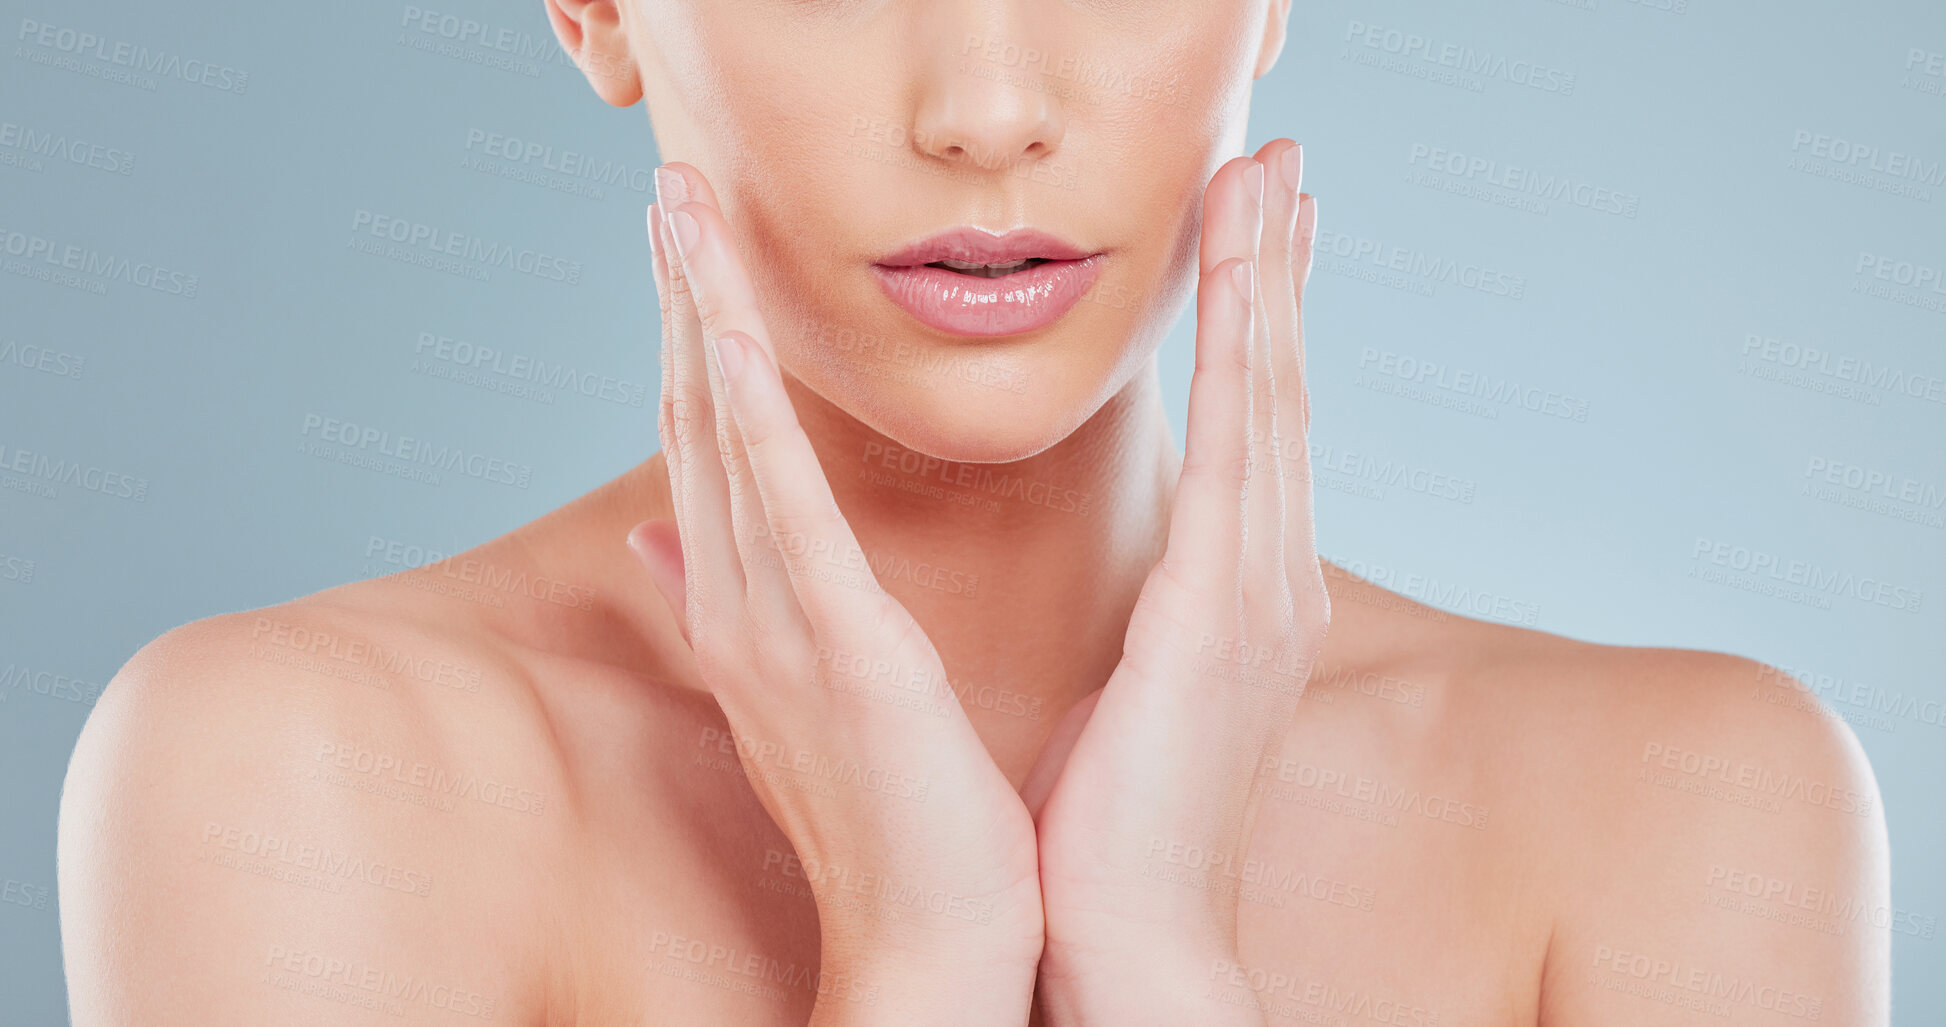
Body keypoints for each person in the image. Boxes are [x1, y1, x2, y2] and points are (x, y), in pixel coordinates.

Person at [58, 2, 1889, 1024]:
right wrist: (919, 959)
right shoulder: (294, 775)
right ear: (598, 12)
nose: (988, 108)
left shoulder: (1686, 805)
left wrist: (1156, 955)